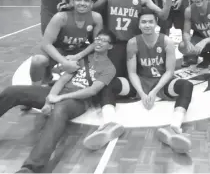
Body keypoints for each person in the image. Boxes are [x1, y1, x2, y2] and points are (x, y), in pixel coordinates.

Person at [0, 30, 117, 173]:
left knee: (60, 111)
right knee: (13, 92)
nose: (99, 42)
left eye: (104, 41)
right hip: (57, 94)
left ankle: (33, 167)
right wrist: (50, 97)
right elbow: (63, 79)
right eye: (97, 39)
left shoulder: (109, 68)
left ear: (110, 46)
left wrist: (59, 99)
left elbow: (91, 91)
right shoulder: (83, 58)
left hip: (77, 101)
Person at [83, 9, 195, 154]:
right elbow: (132, 72)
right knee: (109, 83)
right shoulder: (133, 43)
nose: (147, 25)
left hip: (162, 83)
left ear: (156, 23)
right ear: (139, 25)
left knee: (187, 85)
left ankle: (174, 127)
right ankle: (109, 124)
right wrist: (142, 93)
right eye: (144, 22)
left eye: (150, 22)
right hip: (140, 82)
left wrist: (154, 91)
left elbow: (169, 72)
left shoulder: (166, 41)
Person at [93, 0, 174, 79]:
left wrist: (168, 0)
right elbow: (93, 8)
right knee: (112, 77)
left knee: (139, 77)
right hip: (113, 44)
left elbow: (163, 15)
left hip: (134, 44)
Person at [29, 0, 103, 86]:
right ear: (72, 2)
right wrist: (64, 62)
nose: (82, 3)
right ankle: (35, 87)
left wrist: (78, 56)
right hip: (57, 49)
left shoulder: (96, 18)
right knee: (37, 61)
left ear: (91, 4)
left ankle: (76, 81)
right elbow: (46, 44)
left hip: (77, 49)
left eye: (86, 0)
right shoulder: (60, 18)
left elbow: (96, 42)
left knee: (101, 57)